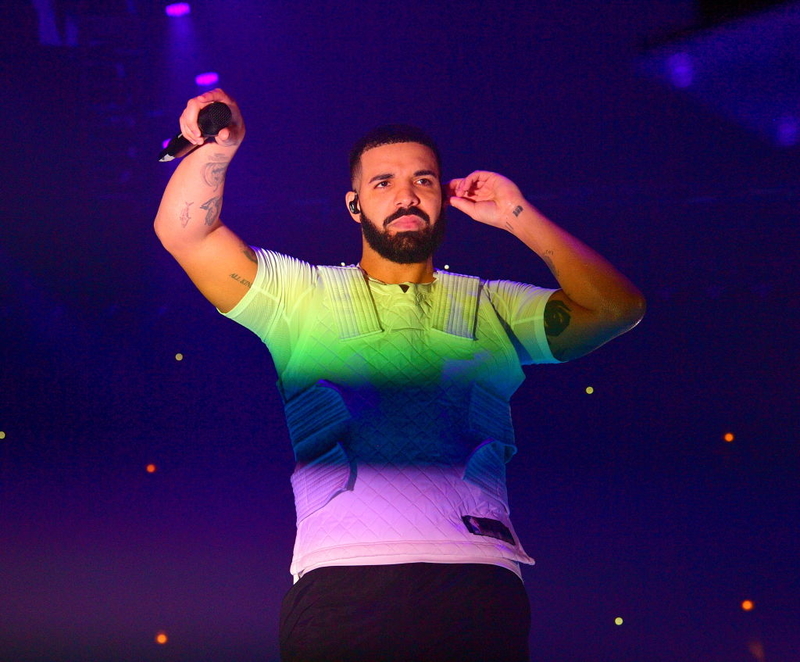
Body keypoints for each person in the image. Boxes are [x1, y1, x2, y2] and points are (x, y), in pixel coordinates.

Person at [154, 89, 646, 662]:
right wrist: (219, 149)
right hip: (343, 582)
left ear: (443, 197)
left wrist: (517, 215)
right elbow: (187, 234)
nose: (407, 195)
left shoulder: (494, 306)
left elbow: (618, 309)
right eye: (383, 182)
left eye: (424, 180)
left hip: (478, 582)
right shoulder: (300, 295)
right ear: (354, 205)